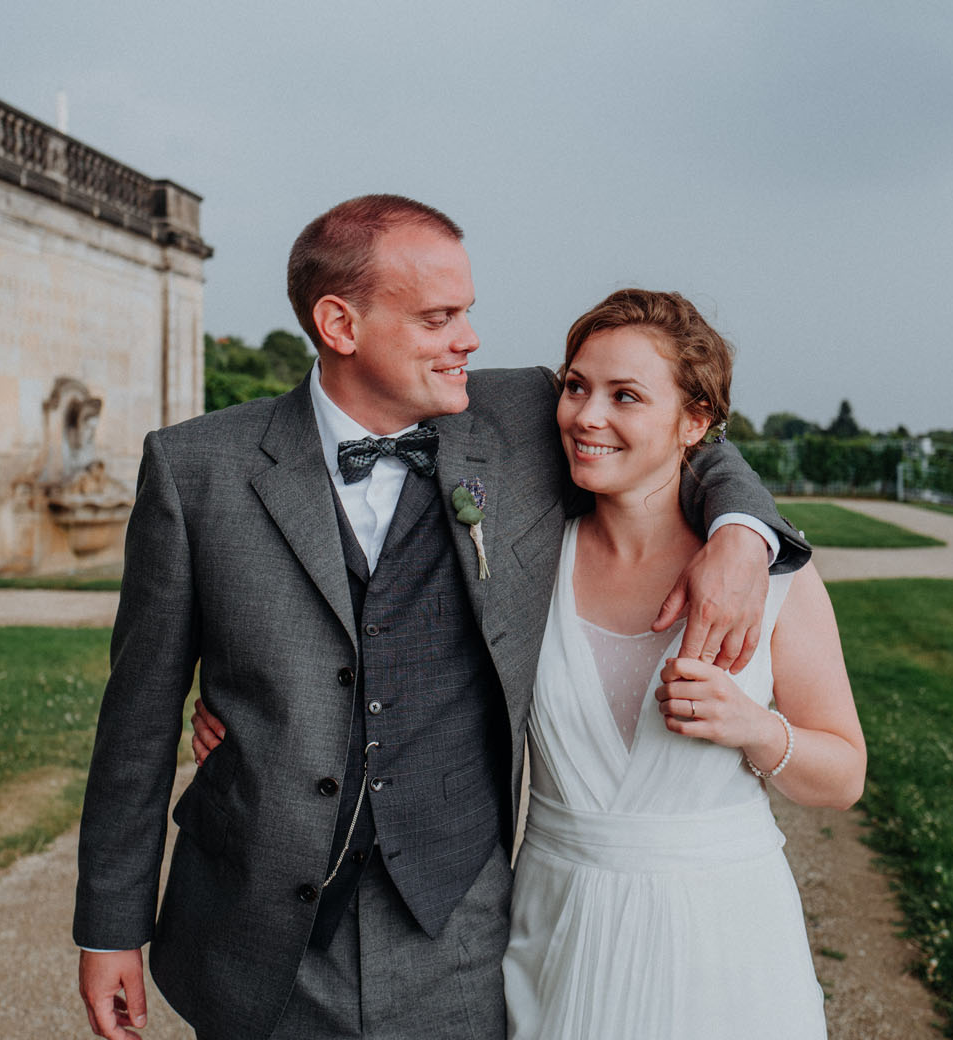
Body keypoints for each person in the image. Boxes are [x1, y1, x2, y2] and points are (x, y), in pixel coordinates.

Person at [75, 196, 809, 1040]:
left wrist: (742, 536)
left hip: (457, 932)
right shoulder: (196, 468)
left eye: (468, 311)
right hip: (251, 929)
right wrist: (109, 927)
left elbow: (686, 429)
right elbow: (134, 723)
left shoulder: (527, 419)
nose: (470, 337)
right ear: (340, 323)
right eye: (438, 317)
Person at [197, 289, 865, 1038]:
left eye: (626, 396)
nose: (586, 416)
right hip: (555, 927)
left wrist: (755, 727)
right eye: (576, 386)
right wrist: (254, 712)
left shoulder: (771, 578)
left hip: (720, 935)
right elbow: (388, 654)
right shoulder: (524, 560)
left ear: (695, 422)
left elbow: (843, 776)